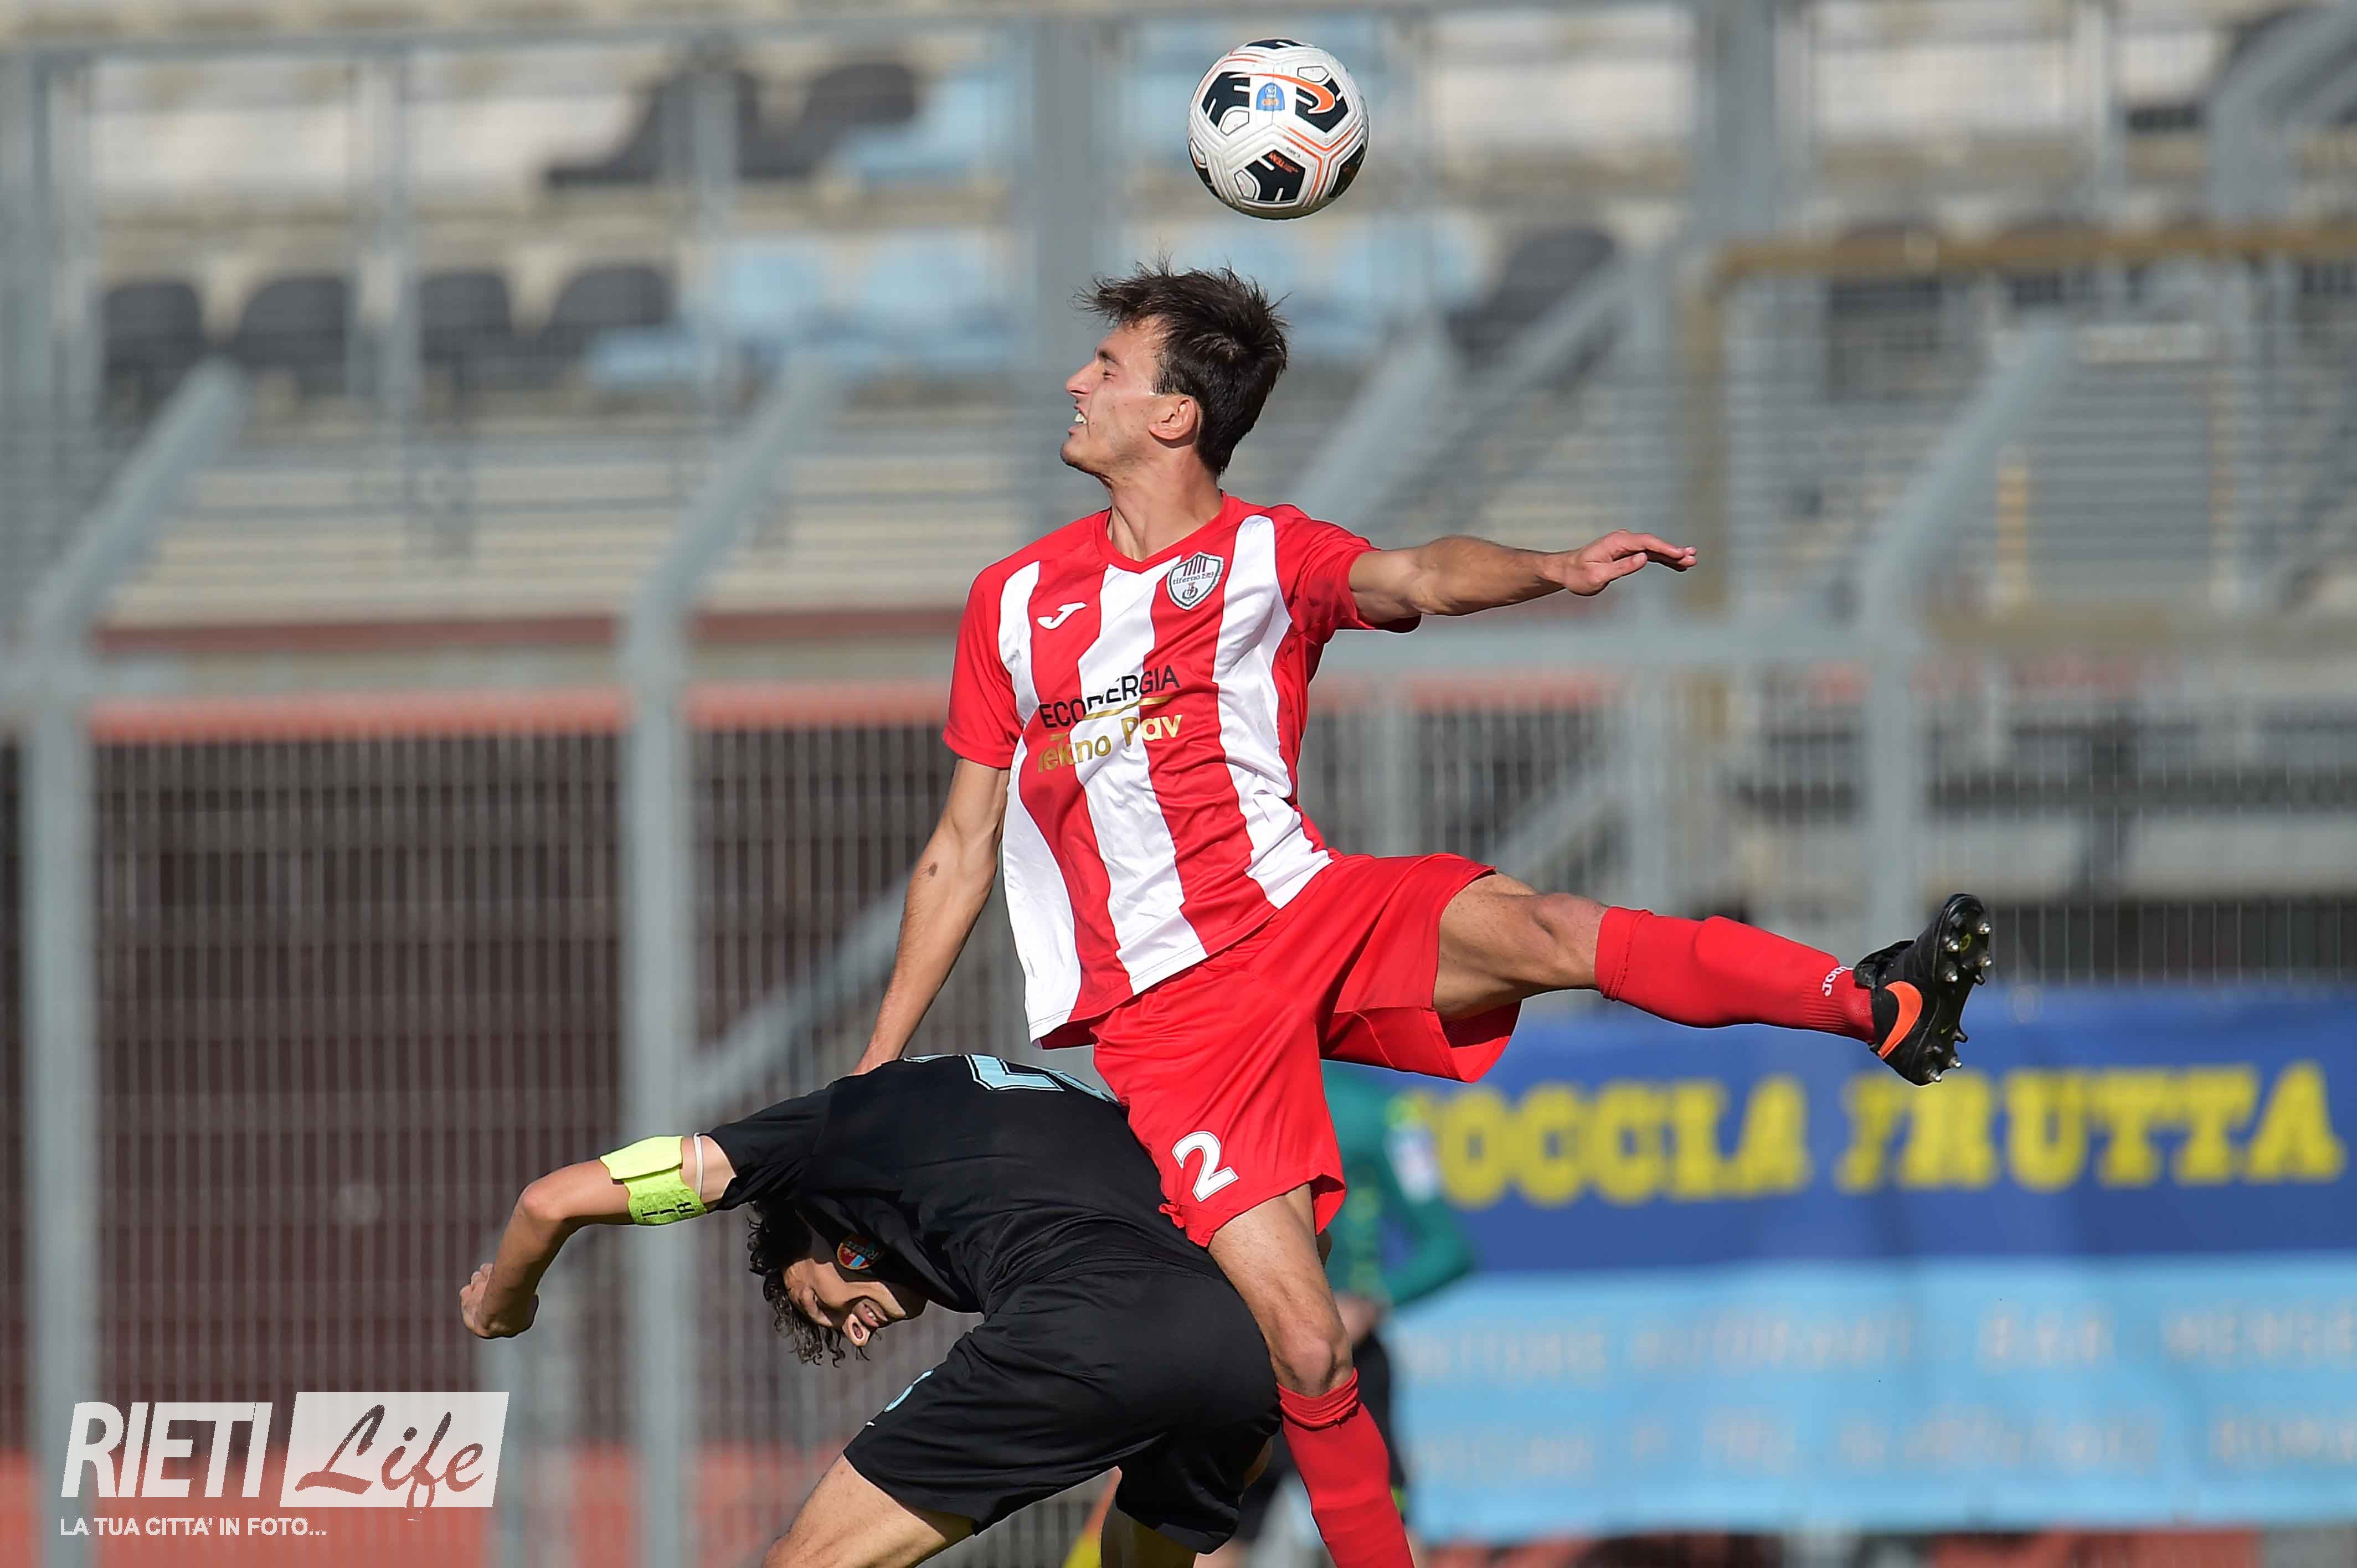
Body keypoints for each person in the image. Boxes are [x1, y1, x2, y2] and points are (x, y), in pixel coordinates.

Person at [851, 261, 1993, 1568]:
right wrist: (876, 1071)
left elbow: (1420, 577)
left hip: (1309, 909)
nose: (1077, 381)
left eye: (1106, 366)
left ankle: (1875, 1005)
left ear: (1174, 414)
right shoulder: (1013, 600)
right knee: (1306, 1346)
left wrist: (1550, 568)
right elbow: (960, 848)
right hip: (1173, 1012)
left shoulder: (1269, 554)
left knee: (1553, 930)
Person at [459, 1054, 1280, 1568]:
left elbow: (549, 1202)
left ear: (827, 1234)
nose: (854, 1328)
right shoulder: (1027, 1109)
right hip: (1242, 1344)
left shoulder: (820, 1141)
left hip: (1087, 1322)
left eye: (823, 1304)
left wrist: (503, 1309)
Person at [1207, 1065, 1473, 1567]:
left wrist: (1368, 1303)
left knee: (1383, 1529)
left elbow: (1450, 1249)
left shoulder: (1378, 1114)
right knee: (1211, 1533)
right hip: (1250, 1353)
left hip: (1337, 1360)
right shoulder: (1222, 1096)